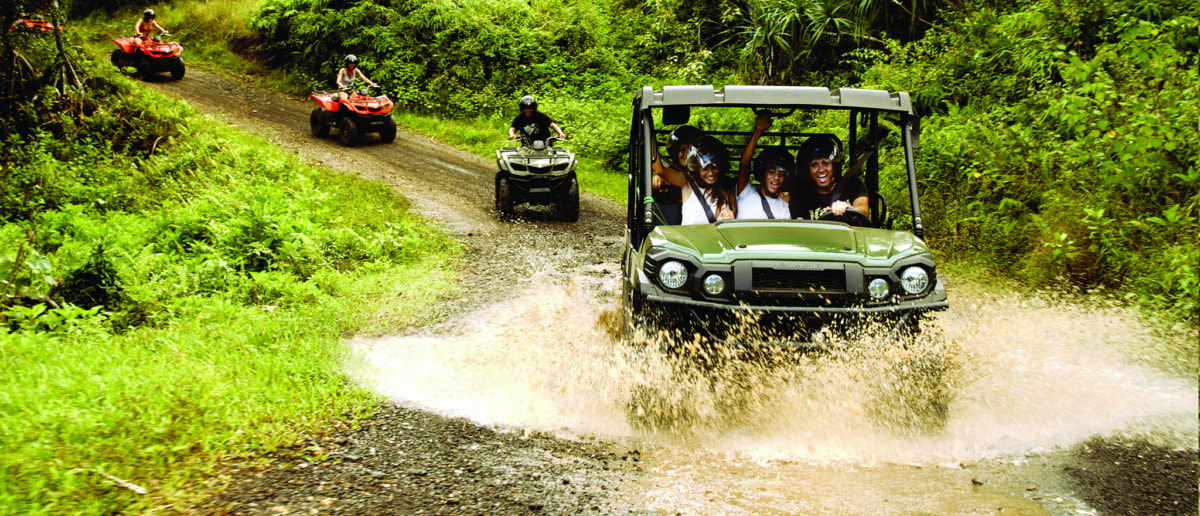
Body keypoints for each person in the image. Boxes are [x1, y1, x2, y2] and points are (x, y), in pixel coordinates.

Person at [653, 135, 737, 224]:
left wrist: (730, 220)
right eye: (705, 169)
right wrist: (649, 134)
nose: (710, 173)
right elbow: (660, 170)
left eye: (714, 168)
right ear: (697, 168)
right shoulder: (688, 184)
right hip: (689, 237)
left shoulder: (728, 191)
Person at [789, 135, 869, 220]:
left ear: (834, 166)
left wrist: (847, 208)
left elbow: (863, 210)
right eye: (814, 165)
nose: (821, 170)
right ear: (808, 170)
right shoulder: (802, 193)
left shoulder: (853, 185)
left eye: (826, 163)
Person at [736, 114, 794, 219]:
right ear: (763, 173)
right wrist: (759, 130)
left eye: (781, 174)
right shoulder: (747, 192)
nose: (776, 177)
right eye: (771, 172)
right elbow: (744, 164)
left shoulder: (785, 206)